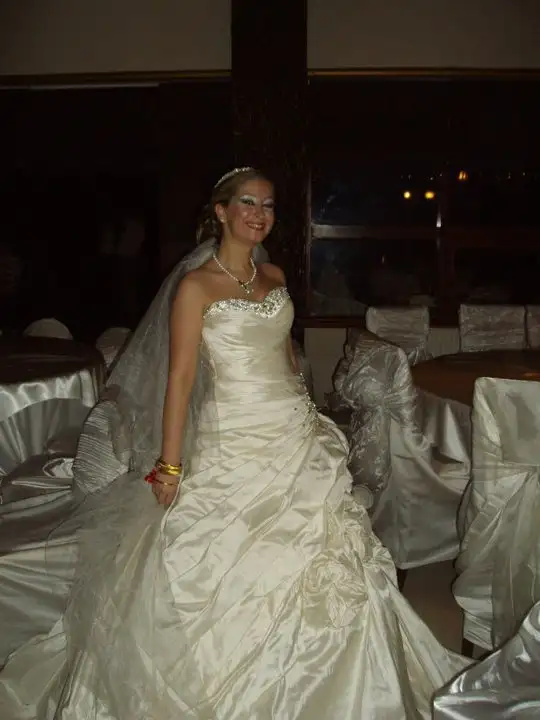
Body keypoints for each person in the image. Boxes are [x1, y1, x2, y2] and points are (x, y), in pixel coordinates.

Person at [0, 168, 468, 719]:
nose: (259, 214)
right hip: (229, 439)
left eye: (268, 205)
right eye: (247, 202)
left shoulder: (274, 274)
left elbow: (286, 356)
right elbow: (179, 379)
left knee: (329, 552)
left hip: (292, 435)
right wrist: (170, 465)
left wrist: (309, 410)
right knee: (212, 559)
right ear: (220, 211)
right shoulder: (195, 287)